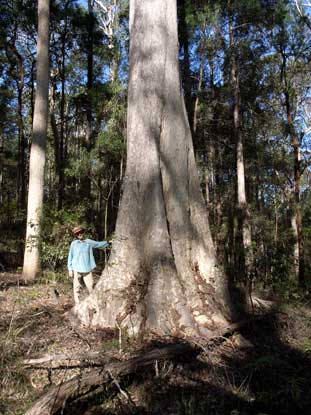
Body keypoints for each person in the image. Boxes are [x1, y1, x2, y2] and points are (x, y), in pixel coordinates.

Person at [67, 225, 110, 304]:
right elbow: (70, 256)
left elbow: (98, 244)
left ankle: (93, 302)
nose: (79, 234)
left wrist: (108, 243)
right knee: (76, 288)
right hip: (76, 269)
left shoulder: (88, 242)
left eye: (81, 232)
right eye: (77, 233)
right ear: (76, 235)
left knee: (90, 287)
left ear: (83, 232)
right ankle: (77, 303)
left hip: (87, 269)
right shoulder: (73, 244)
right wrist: (70, 269)